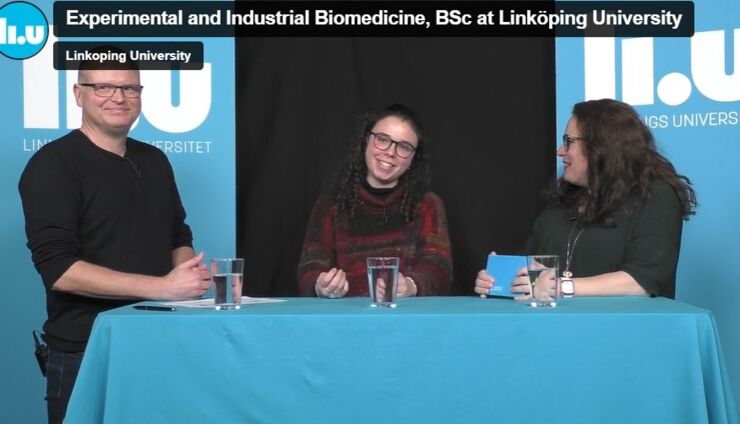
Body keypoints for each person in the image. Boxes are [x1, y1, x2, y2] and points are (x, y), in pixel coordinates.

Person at [18, 51, 212, 424]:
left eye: (129, 88)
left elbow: (177, 234)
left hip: (160, 340)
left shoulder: (155, 161)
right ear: (79, 94)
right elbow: (61, 271)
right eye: (104, 86)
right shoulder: (52, 165)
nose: (119, 97)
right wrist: (163, 288)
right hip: (87, 351)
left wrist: (190, 281)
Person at [474, 99, 697, 300]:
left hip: (624, 335)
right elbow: (532, 267)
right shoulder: (562, 201)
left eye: (568, 141)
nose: (560, 151)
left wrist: (563, 287)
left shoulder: (655, 197)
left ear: (600, 147)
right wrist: (499, 281)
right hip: (555, 333)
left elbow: (642, 281)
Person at [298, 104, 453, 298]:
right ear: (366, 141)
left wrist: (411, 286)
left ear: (413, 157)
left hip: (405, 319)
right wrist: (320, 284)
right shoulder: (331, 204)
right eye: (383, 139)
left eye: (404, 147)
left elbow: (438, 265)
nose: (390, 152)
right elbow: (311, 264)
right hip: (345, 320)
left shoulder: (427, 204)